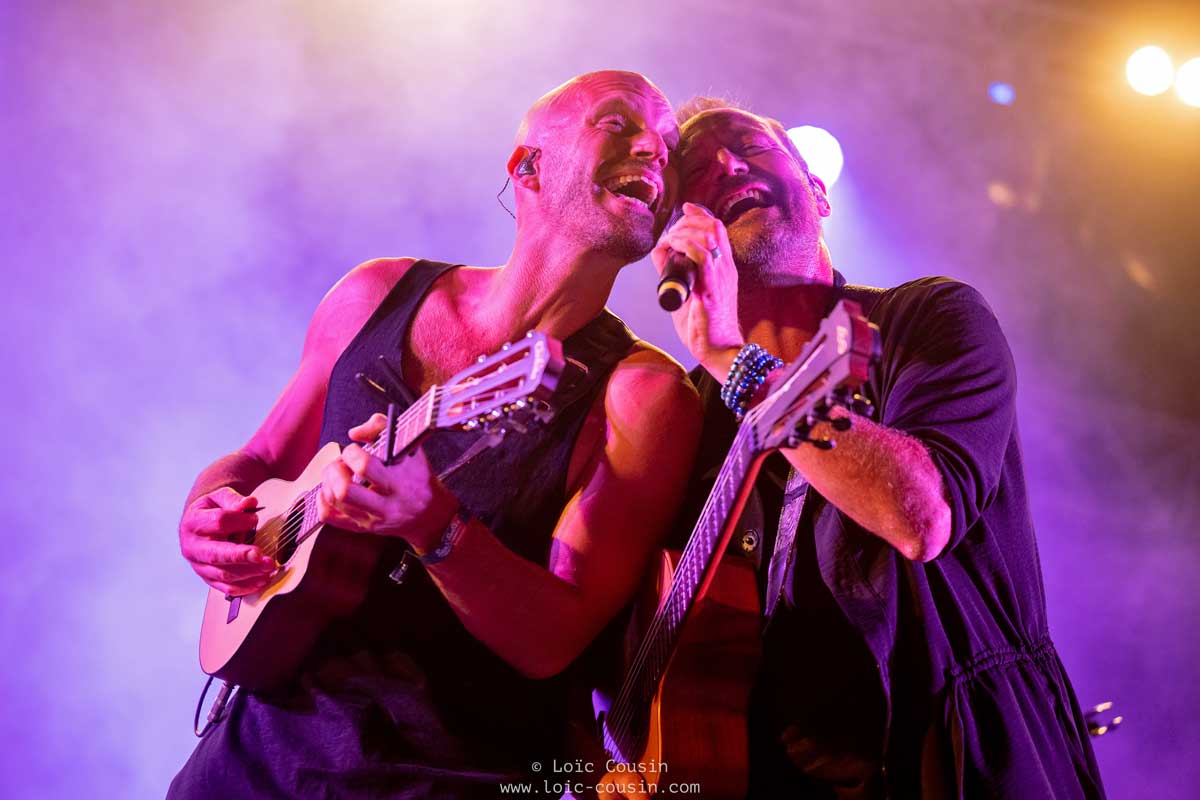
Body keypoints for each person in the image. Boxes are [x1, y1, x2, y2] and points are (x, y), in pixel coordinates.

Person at [169, 70, 701, 799]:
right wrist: (206, 512)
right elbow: (260, 460)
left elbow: (555, 638)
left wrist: (435, 526)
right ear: (528, 166)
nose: (654, 149)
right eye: (618, 123)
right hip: (245, 761)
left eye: (668, 145)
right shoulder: (375, 293)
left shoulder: (643, 396)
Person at [652, 98, 1106, 799]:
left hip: (955, 764)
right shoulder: (686, 412)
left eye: (749, 146)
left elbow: (919, 517)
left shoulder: (929, 319)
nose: (729, 166)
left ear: (818, 192)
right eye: (697, 171)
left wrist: (735, 362)